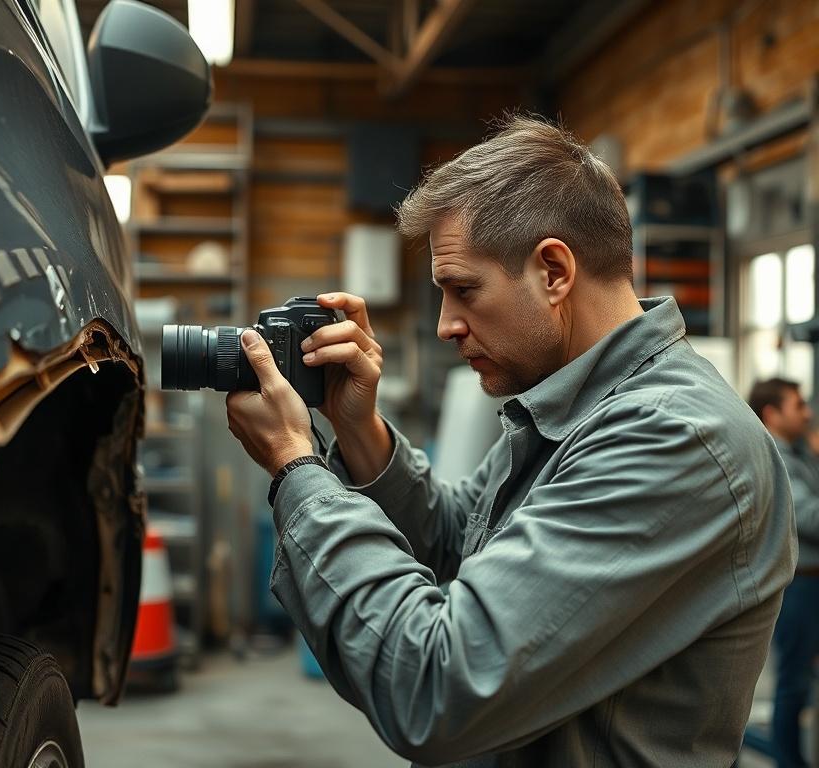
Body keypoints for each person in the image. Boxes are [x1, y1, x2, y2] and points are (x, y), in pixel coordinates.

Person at [225, 116, 795, 767]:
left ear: (554, 271)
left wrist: (297, 466)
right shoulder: (573, 404)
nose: (446, 326)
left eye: (463, 290)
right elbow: (456, 543)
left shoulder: (672, 440)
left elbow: (435, 686)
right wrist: (357, 428)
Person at [749, 377, 819, 768]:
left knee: (798, 680)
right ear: (772, 414)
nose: (807, 413)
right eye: (798, 405)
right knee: (793, 682)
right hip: (799, 585)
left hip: (809, 582)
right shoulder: (773, 456)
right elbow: (808, 516)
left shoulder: (798, 452)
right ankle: (787, 760)